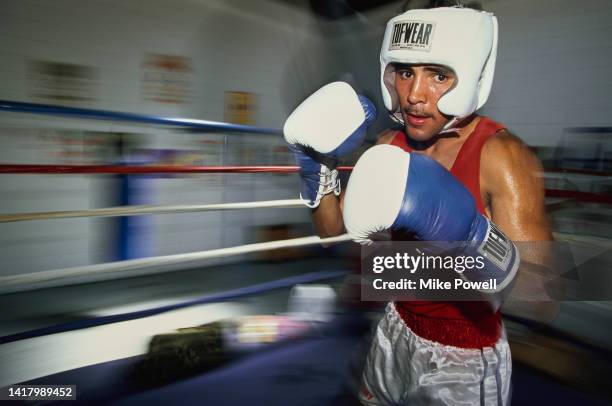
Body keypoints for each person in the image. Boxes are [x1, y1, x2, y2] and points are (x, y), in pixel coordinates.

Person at [284, 3, 554, 405]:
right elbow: (331, 232)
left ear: (471, 75)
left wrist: (468, 236)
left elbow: (539, 297)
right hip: (394, 329)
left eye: (439, 75)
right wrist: (318, 168)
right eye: (406, 71)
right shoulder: (387, 145)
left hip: (465, 356)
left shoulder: (501, 156)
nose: (413, 95)